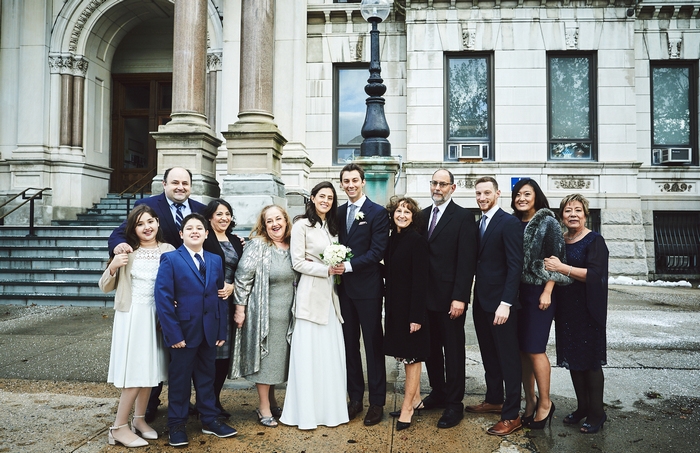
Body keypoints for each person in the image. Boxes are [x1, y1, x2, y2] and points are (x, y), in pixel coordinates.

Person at [108, 166, 206, 421]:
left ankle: (170, 407)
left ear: (191, 186)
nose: (180, 187)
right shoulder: (147, 206)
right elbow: (121, 232)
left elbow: (210, 237)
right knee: (142, 360)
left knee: (162, 359)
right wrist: (118, 249)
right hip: (139, 302)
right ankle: (146, 409)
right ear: (164, 184)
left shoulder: (199, 208)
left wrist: (233, 242)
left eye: (185, 183)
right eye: (175, 182)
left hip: (178, 298)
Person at [154, 213, 237, 447]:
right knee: (180, 380)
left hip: (209, 331)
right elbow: (164, 299)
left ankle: (210, 419)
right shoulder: (170, 259)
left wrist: (221, 330)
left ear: (206, 233)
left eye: (199, 228)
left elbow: (220, 297)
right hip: (183, 332)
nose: (194, 231)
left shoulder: (214, 260)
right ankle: (176, 425)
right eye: (189, 228)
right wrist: (173, 334)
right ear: (181, 234)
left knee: (206, 378)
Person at [99, 204, 173, 448]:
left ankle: (139, 421)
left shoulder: (169, 250)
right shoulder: (126, 251)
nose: (147, 227)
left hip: (157, 316)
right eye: (140, 224)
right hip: (132, 316)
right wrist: (113, 266)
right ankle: (118, 427)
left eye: (150, 221)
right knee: (135, 372)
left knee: (150, 373)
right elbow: (104, 286)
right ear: (133, 228)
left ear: (158, 223)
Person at [280, 181, 349, 430]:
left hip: (330, 297)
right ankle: (306, 412)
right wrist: (325, 269)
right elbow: (297, 262)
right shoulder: (302, 225)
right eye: (322, 196)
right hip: (310, 294)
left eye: (330, 198)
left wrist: (336, 268)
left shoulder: (331, 227)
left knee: (329, 353)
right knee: (309, 354)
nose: (326, 201)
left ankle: (329, 410)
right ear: (312, 198)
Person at [544, 194, 609, 434]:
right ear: (562, 215)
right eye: (568, 210)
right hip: (566, 310)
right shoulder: (561, 241)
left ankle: (597, 413)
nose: (573, 214)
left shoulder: (595, 241)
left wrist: (563, 268)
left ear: (585, 214)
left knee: (590, 362)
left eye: (578, 210)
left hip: (588, 309)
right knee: (574, 361)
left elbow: (596, 275)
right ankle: (583, 407)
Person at [510, 178, 571, 429]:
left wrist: (547, 291)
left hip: (539, 292)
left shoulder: (548, 222)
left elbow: (557, 259)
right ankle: (530, 401)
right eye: (518, 195)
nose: (522, 198)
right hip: (517, 293)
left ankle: (545, 403)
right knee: (523, 350)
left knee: (535, 349)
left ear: (536, 196)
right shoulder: (513, 222)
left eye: (527, 194)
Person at [420, 169, 478, 429]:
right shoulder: (421, 216)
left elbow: (467, 262)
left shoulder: (464, 217)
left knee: (453, 351)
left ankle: (455, 403)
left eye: (443, 184)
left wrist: (460, 298)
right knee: (430, 349)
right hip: (425, 298)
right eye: (434, 183)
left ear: (453, 188)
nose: (437, 188)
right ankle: (438, 392)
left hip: (450, 299)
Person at [467, 176, 524, 436]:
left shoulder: (509, 223)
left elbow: (515, 266)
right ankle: (494, 399)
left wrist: (506, 303)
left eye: (486, 193)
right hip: (481, 301)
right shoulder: (479, 223)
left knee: (508, 358)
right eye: (478, 193)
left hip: (501, 304)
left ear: (498, 193)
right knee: (489, 354)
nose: (481, 197)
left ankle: (512, 415)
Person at [230, 205, 296, 428]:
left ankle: (273, 400)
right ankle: (263, 407)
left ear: (286, 221)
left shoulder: (293, 245)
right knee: (266, 361)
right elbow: (242, 278)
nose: (275, 224)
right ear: (264, 225)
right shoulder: (258, 245)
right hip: (264, 314)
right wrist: (240, 308)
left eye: (279, 219)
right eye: (269, 221)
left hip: (288, 314)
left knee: (279, 360)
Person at [336, 163, 390, 425]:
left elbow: (377, 251)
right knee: (349, 345)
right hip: (343, 291)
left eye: (354, 180)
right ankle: (355, 398)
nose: (350, 185)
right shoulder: (338, 212)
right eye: (346, 181)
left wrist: (346, 266)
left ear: (363, 182)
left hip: (368, 290)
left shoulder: (377, 213)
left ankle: (377, 402)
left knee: (372, 345)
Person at [383, 197, 429, 432]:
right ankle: (417, 398)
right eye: (398, 210)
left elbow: (421, 282)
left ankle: (407, 408)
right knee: (404, 355)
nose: (402, 214)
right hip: (395, 309)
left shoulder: (416, 241)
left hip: (412, 310)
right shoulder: (393, 240)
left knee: (412, 358)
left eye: (407, 212)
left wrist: (417, 317)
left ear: (413, 217)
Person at [202, 199, 244, 418]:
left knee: (224, 357)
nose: (224, 218)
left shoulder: (236, 241)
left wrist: (233, 287)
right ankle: (205, 403)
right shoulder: (203, 238)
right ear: (210, 217)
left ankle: (214, 400)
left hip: (229, 303)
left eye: (227, 213)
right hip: (208, 303)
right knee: (208, 355)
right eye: (219, 214)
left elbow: (242, 272)